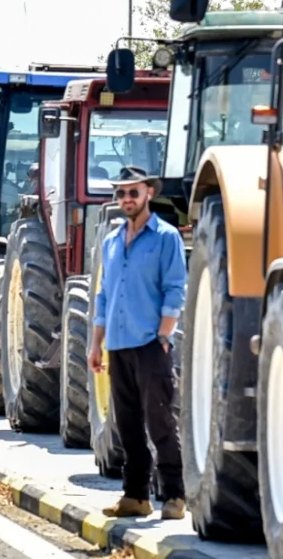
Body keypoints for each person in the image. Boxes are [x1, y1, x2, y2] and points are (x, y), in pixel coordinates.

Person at [88, 165, 187, 520]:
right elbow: (103, 296)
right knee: (127, 424)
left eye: (134, 192)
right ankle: (135, 496)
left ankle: (174, 496)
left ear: (149, 193)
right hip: (117, 343)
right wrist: (96, 344)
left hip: (150, 343)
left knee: (159, 420)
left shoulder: (166, 236)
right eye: (121, 193)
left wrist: (164, 335)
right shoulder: (113, 241)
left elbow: (176, 289)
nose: (127, 199)